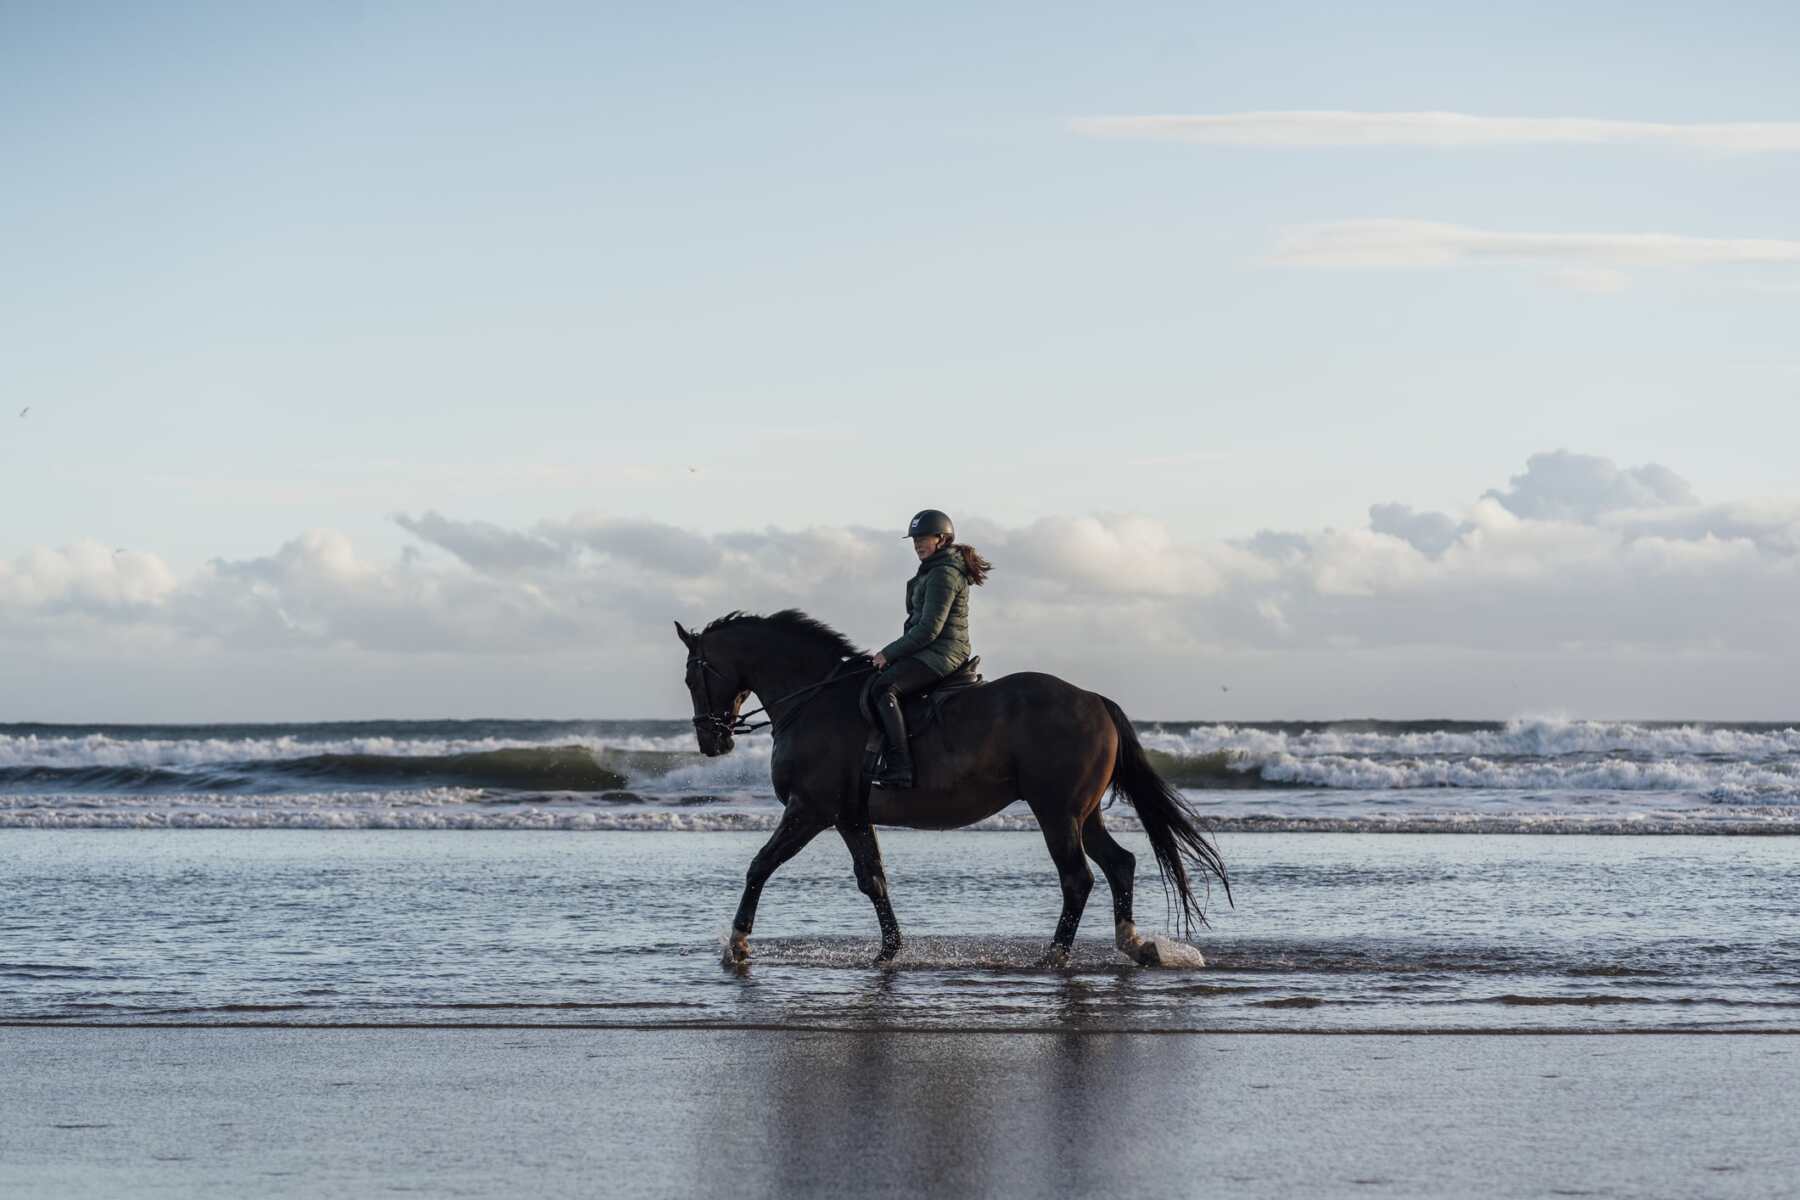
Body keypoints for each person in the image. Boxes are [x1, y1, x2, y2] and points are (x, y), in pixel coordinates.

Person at [868, 509, 991, 789]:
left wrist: (888, 653)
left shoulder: (943, 573)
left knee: (884, 688)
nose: (918, 545)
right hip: (931, 650)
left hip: (943, 652)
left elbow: (928, 629)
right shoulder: (933, 570)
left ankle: (900, 767)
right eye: (914, 540)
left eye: (924, 538)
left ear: (943, 539)